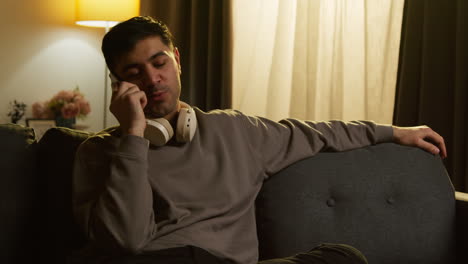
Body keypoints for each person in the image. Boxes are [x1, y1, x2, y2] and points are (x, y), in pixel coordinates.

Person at [71, 16, 447, 264]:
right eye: (135, 72)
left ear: (178, 60)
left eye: (159, 62)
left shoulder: (238, 131)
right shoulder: (100, 152)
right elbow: (125, 241)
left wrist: (397, 132)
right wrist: (134, 137)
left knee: (340, 256)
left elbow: (321, 133)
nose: (153, 80)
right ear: (117, 84)